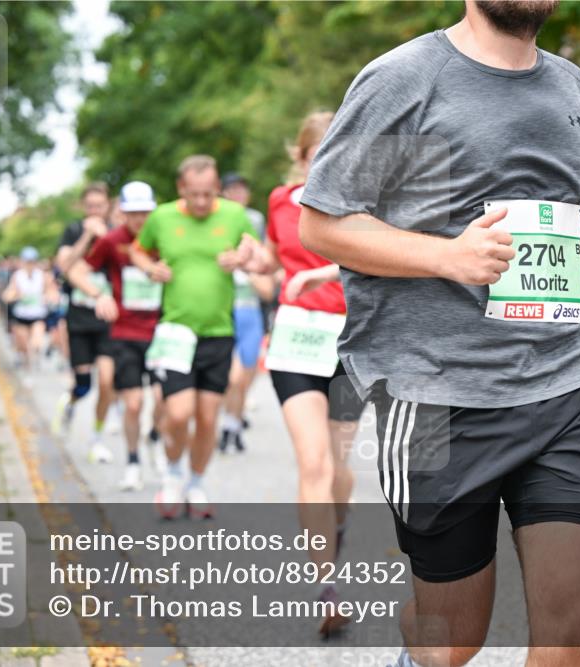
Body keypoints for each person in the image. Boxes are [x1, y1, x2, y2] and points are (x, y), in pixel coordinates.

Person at [297, 2, 580, 665]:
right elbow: (324, 225)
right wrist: (447, 256)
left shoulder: (570, 86)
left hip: (563, 389)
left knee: (571, 633)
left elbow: (560, 217)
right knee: (453, 641)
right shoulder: (403, 79)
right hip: (436, 394)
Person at [237, 111, 364, 635]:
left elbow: (383, 261)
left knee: (337, 468)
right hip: (295, 342)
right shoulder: (278, 202)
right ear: (301, 155)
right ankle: (326, 587)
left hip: (351, 343)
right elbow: (273, 262)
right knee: (312, 462)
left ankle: (335, 529)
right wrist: (254, 261)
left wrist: (324, 271)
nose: (326, 164)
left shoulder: (366, 201)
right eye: (317, 155)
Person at [129, 155, 258, 518]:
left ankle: (196, 482)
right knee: (178, 413)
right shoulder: (163, 217)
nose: (202, 202)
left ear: (217, 188)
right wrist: (151, 267)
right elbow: (137, 250)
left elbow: (258, 255)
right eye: (194, 194)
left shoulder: (234, 216)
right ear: (181, 189)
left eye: (208, 194)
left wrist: (244, 257)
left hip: (218, 332)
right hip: (175, 332)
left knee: (206, 418)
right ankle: (172, 475)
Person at [67, 181, 168, 491]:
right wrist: (100, 295)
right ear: (122, 212)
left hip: (162, 330)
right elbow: (75, 272)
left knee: (166, 403)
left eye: (145, 212)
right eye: (133, 213)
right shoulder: (112, 241)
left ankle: (154, 439)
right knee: (134, 405)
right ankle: (134, 461)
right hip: (124, 332)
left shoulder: (166, 238)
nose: (139, 219)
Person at [53, 182, 117, 464]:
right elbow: (63, 266)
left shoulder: (116, 233)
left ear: (108, 206)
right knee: (84, 385)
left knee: (107, 381)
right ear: (83, 207)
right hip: (79, 320)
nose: (94, 211)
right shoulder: (74, 231)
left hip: (106, 321)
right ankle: (70, 403)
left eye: (99, 206)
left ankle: (97, 439)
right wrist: (89, 236)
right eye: (90, 206)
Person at [219, 172, 273, 452]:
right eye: (233, 190)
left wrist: (248, 267)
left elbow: (268, 280)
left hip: (251, 310)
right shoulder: (217, 221)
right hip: (224, 310)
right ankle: (230, 422)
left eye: (243, 190)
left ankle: (233, 424)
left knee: (243, 376)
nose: (238, 195)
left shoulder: (256, 219)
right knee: (231, 378)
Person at [2, 247, 58, 376]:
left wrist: (50, 297)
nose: (30, 264)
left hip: (38, 314)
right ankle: (26, 361)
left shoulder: (43, 276)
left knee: (36, 342)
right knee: (23, 345)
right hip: (21, 315)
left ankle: (35, 357)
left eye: (32, 261)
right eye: (27, 261)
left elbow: (52, 292)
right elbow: (7, 295)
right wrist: (16, 296)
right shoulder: (17, 276)